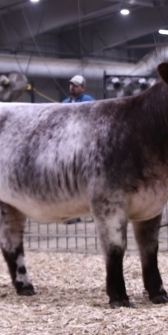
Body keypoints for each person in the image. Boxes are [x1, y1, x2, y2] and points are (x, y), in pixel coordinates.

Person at [60, 75, 94, 224]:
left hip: (83, 148)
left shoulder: (88, 101)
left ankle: (90, 212)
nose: (72, 87)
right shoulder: (64, 103)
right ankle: (73, 214)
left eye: (76, 85)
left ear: (83, 88)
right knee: (70, 182)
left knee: (85, 181)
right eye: (71, 85)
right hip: (67, 148)